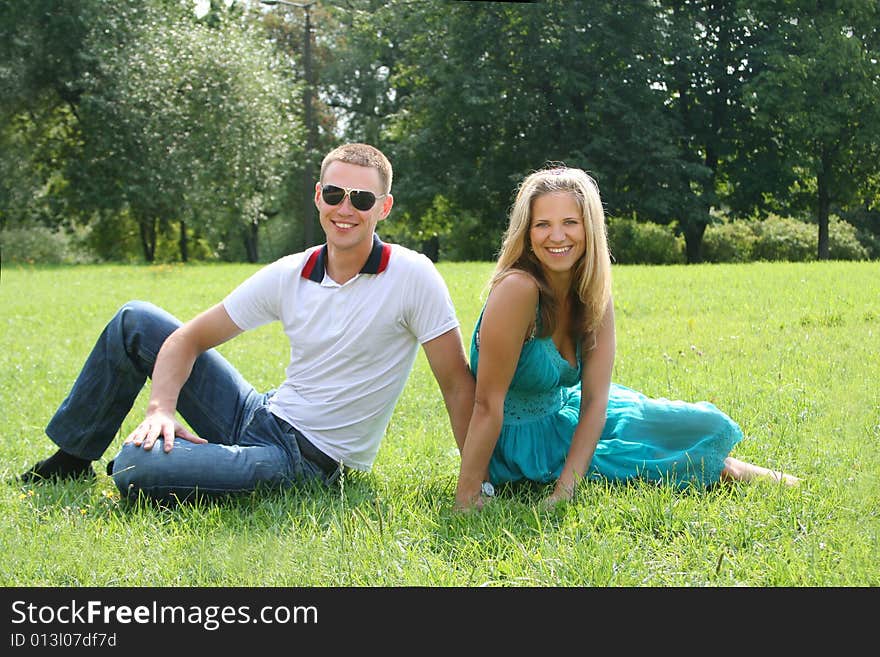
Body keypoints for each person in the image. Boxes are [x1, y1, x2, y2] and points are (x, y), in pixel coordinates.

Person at [20, 143, 475, 503]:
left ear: (384, 207)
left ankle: (194, 461)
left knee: (134, 468)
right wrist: (160, 408)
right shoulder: (291, 273)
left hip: (305, 461)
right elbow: (186, 339)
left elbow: (456, 385)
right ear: (319, 196)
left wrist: (478, 482)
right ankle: (71, 459)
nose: (345, 209)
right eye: (335, 194)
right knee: (135, 320)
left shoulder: (412, 275)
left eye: (361, 199)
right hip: (261, 412)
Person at [454, 165, 800, 511]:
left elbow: (595, 402)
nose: (556, 236)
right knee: (660, 461)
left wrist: (566, 489)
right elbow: (486, 404)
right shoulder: (518, 290)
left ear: (589, 228)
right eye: (543, 225)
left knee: (696, 424)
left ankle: (780, 480)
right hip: (522, 443)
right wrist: (469, 493)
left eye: (570, 223)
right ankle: (760, 478)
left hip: (571, 413)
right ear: (527, 234)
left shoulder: (592, 293)